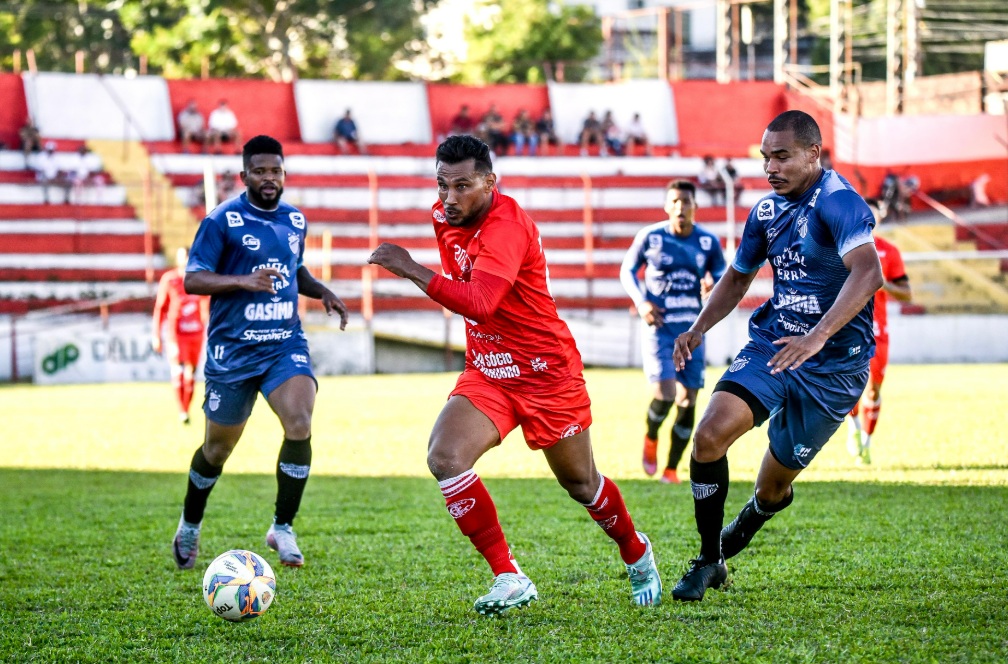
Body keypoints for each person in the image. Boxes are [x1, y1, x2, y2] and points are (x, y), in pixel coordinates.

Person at [367, 134, 662, 615]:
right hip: (489, 369)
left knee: (581, 484)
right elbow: (467, 282)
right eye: (442, 185)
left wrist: (411, 269)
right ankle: (509, 575)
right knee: (445, 457)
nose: (449, 197)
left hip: (545, 373)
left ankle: (635, 549)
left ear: (490, 182)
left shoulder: (506, 226)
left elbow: (481, 302)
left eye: (463, 186)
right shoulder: (446, 216)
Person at [669, 110, 883, 601]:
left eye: (782, 157)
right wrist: (698, 328)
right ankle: (708, 560)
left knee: (770, 491)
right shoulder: (765, 211)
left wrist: (818, 336)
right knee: (708, 436)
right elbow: (738, 276)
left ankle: (743, 528)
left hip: (834, 368)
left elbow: (868, 272)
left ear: (814, 153)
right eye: (766, 157)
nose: (771, 167)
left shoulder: (838, 201)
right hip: (775, 345)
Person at [171, 135, 350, 572]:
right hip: (232, 353)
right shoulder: (222, 221)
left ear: (284, 174)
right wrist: (243, 281)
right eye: (261, 171)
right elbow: (193, 279)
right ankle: (190, 523)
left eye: (276, 171)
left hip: (283, 344)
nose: (269, 178)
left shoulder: (295, 219)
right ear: (244, 175)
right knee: (217, 450)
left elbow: (293, 269)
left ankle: (282, 526)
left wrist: (321, 290)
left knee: (300, 422)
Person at [620, 180, 726, 485]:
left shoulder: (707, 241)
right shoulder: (651, 237)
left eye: (686, 202)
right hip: (660, 330)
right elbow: (627, 270)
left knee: (688, 400)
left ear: (695, 207)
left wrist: (713, 286)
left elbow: (723, 275)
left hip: (692, 331)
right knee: (665, 395)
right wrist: (641, 302)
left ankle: (671, 470)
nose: (681, 207)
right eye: (675, 202)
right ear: (667, 207)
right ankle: (651, 435)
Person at [846, 200, 911, 465]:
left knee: (873, 388)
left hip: (876, 330)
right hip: (847, 326)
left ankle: (867, 442)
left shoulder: (889, 251)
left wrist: (883, 284)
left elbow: (907, 294)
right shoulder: (841, 248)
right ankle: (853, 427)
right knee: (849, 384)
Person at [152, 246, 210, 424]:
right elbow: (160, 308)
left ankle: (186, 410)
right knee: (178, 369)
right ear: (178, 259)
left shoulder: (200, 279)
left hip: (196, 333)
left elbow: (207, 304)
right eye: (182, 256)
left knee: (190, 374)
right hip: (176, 333)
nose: (185, 260)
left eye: (187, 256)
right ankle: (182, 411)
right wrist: (156, 335)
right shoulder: (169, 279)